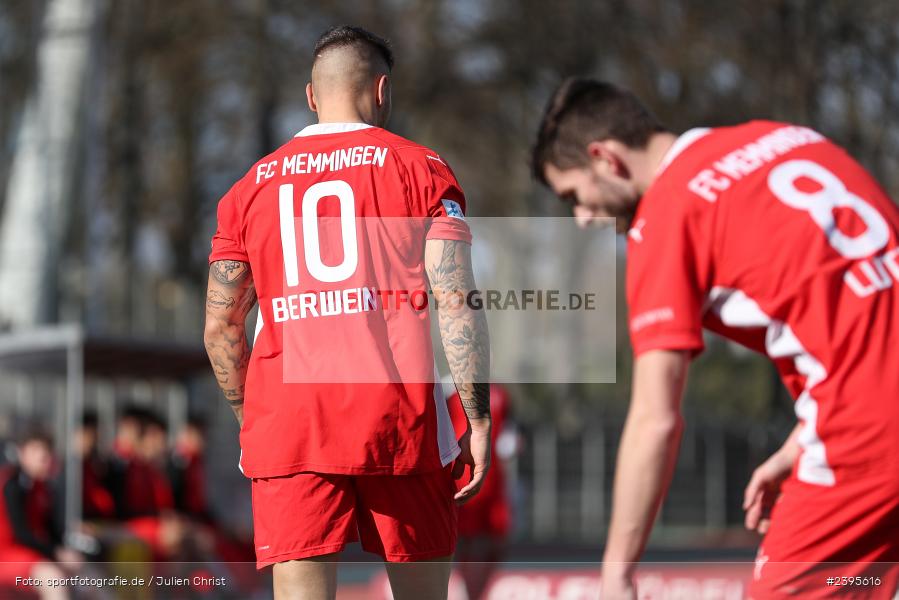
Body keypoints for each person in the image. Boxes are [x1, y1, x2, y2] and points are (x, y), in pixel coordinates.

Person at [530, 78, 899, 599]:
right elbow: (867, 305)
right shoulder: (786, 138)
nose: (583, 218)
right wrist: (800, 443)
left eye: (576, 196)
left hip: (866, 438)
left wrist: (616, 572)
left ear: (605, 158)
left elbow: (655, 418)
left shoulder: (667, 217)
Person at [204, 25, 491, 600]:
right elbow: (456, 298)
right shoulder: (421, 168)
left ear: (311, 97)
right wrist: (476, 418)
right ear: (382, 90)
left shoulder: (248, 188)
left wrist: (250, 419)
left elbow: (220, 327)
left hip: (290, 426)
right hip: (397, 421)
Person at [447, 383, 517, 600]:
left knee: (490, 542)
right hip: (466, 476)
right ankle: (466, 591)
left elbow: (509, 439)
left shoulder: (501, 395)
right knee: (469, 541)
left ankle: (472, 592)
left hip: (490, 479)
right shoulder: (450, 392)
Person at [0, 429, 83, 600]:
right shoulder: (12, 485)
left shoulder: (41, 487)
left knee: (86, 577)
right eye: (38, 452)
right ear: (22, 453)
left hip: (29, 554)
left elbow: (51, 530)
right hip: (7, 555)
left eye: (47, 453)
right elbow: (21, 534)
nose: (44, 459)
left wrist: (65, 551)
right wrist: (57, 553)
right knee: (53, 579)